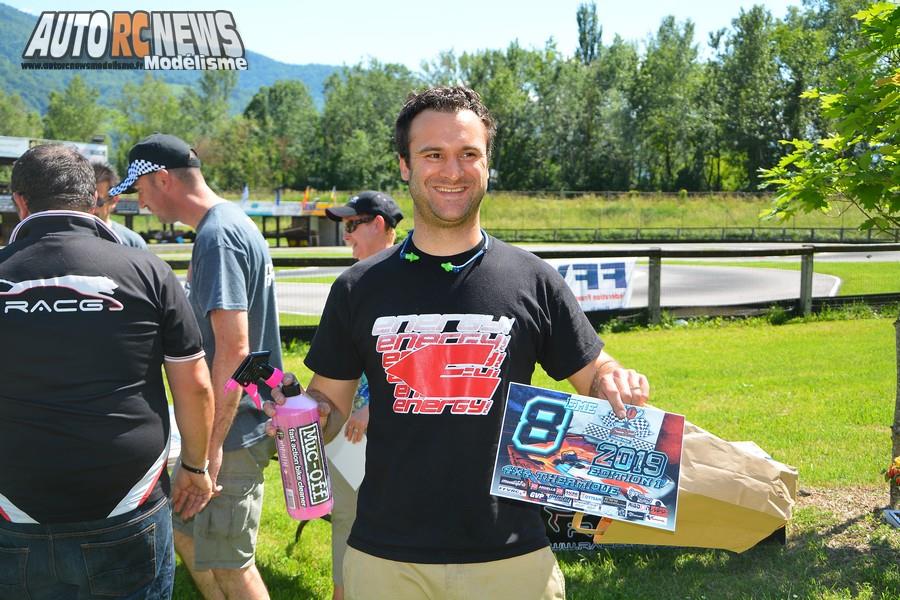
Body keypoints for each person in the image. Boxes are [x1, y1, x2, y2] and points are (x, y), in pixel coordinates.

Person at [267, 86, 651, 599]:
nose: (452, 170)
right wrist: (304, 416)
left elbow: (594, 372)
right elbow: (329, 403)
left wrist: (613, 378)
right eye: (433, 154)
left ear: (488, 163)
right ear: (404, 165)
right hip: (386, 558)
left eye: (468, 154)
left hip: (512, 557)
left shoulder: (533, 280)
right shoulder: (359, 288)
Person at [0, 144, 215, 599]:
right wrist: (194, 465)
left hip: (13, 506)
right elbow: (194, 385)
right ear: (91, 200)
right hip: (126, 499)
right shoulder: (148, 271)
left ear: (21, 202)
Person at [111, 133, 280, 600]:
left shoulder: (217, 237)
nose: (140, 203)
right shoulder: (228, 225)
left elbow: (236, 351)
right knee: (187, 533)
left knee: (231, 566)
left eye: (139, 189)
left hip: (234, 430)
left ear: (162, 179)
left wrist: (212, 448)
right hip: (235, 420)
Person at [323, 190, 404, 600]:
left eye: (352, 225)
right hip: (354, 434)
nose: (346, 236)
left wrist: (376, 405)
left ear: (378, 225)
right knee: (347, 516)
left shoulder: (414, 275)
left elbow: (433, 357)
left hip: (395, 433)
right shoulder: (358, 282)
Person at [92, 162, 148, 249]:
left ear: (114, 200)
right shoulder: (68, 240)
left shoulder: (133, 244)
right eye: (86, 200)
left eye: (98, 201)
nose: (92, 209)